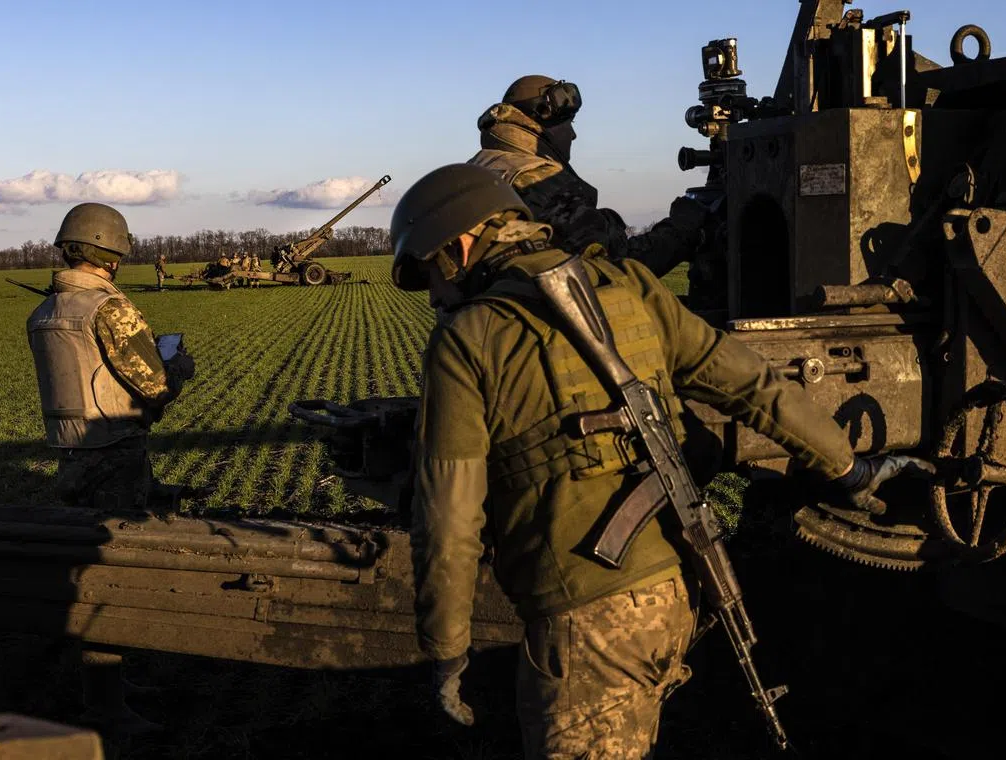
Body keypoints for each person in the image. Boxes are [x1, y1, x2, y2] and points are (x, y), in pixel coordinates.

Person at [389, 164, 932, 759]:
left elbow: (447, 517)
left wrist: (446, 650)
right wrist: (847, 468)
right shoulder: (631, 286)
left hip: (587, 621)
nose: (434, 296)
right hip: (679, 587)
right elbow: (753, 384)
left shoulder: (468, 339)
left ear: (461, 246)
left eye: (430, 273)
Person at [26, 202, 196, 513]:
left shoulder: (43, 312)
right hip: (115, 454)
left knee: (80, 527)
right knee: (120, 533)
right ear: (111, 256)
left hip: (68, 451)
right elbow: (157, 388)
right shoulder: (110, 308)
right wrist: (178, 366)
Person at [468, 75, 708, 279]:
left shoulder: (478, 169)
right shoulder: (541, 180)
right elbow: (616, 268)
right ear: (543, 119)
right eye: (568, 123)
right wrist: (682, 227)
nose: (573, 135)